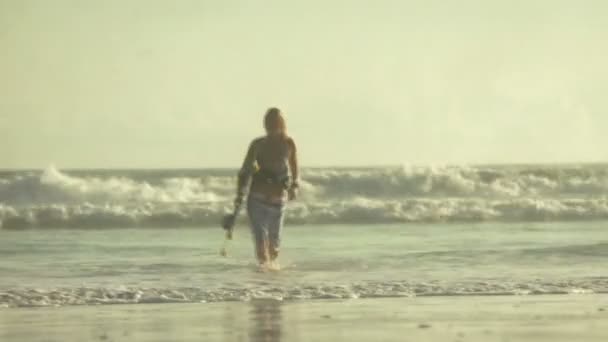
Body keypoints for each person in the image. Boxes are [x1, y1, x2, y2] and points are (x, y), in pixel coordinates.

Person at [234, 107, 299, 266]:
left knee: (274, 249)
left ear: (282, 123)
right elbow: (245, 171)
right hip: (257, 200)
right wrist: (240, 195)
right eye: (268, 122)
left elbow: (295, 168)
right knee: (261, 246)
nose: (271, 125)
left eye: (275, 121)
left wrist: (294, 185)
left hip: (278, 202)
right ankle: (263, 283)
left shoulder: (289, 143)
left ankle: (268, 281)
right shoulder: (258, 144)